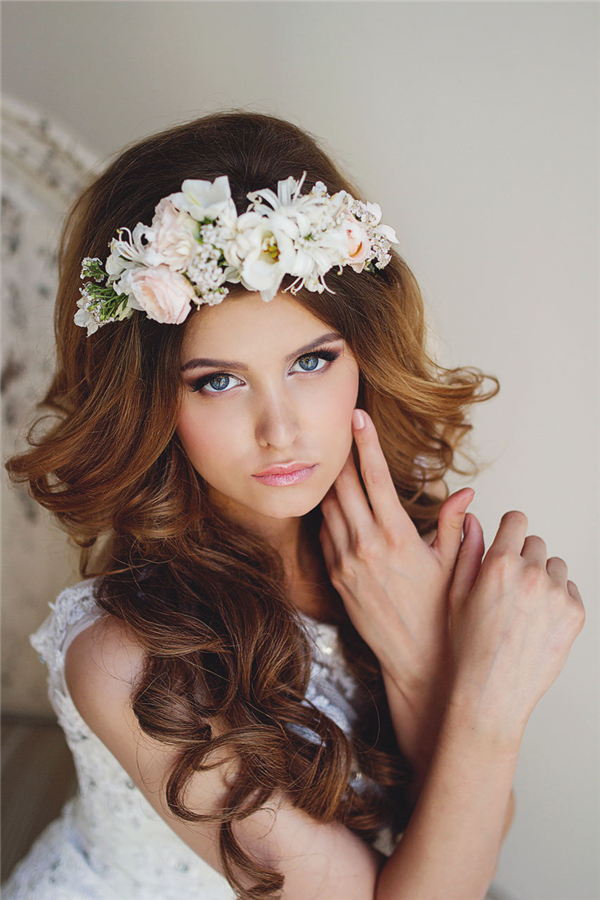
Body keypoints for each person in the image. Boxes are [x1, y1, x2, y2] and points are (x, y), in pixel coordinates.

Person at [2, 110, 584, 900]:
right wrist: (489, 696)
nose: (281, 432)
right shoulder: (126, 661)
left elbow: (473, 830)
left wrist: (420, 664)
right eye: (218, 380)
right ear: (146, 402)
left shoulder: (391, 546)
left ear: (363, 353)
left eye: (311, 360)